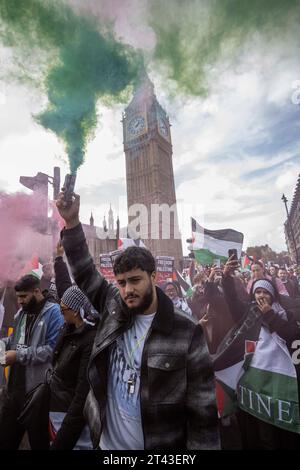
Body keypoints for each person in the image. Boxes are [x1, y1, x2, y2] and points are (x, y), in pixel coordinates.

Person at [56, 191, 220, 450]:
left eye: (135, 280)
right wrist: (73, 223)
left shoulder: (187, 332)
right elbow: (84, 272)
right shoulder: (114, 307)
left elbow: (203, 414)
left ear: (153, 277)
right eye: (121, 283)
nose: (127, 290)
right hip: (106, 446)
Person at [220, 256, 300, 449]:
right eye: (258, 292)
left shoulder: (285, 314)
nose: (261, 296)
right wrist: (226, 277)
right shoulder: (248, 313)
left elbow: (292, 335)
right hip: (256, 384)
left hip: (281, 382)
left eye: (265, 292)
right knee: (262, 435)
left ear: (273, 295)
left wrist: (270, 316)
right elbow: (231, 300)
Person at [0, 274, 64, 450]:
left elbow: (52, 351)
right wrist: (2, 343)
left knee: (39, 443)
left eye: (23, 296)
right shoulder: (21, 313)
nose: (19, 301)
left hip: (37, 395)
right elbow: (14, 340)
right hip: (13, 392)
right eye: (18, 297)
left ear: (36, 291)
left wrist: (18, 356)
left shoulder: (54, 313)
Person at [47, 285, 96, 450]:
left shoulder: (89, 340)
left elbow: (82, 391)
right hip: (57, 407)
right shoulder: (68, 330)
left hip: (71, 414)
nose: (61, 313)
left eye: (63, 310)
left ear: (75, 311)